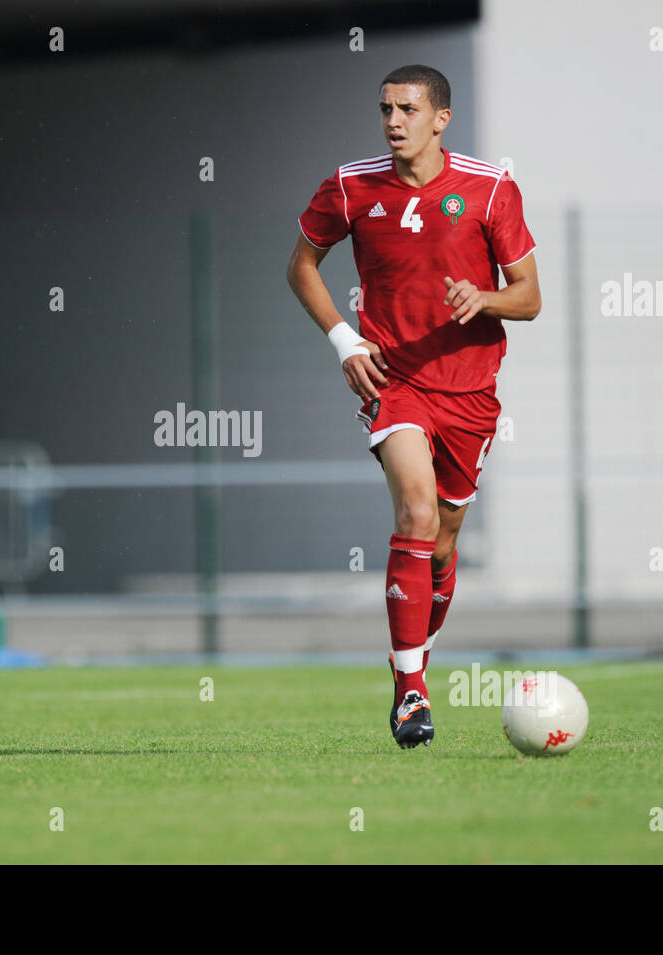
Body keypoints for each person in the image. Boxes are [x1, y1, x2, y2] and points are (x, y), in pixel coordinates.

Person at [286, 65, 540, 749]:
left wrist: (484, 299)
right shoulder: (350, 184)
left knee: (445, 537)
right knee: (416, 512)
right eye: (385, 109)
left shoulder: (490, 188)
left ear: (441, 119)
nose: (393, 121)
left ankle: (415, 662)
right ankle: (410, 692)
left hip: (471, 390)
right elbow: (300, 265)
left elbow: (530, 297)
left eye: (407, 109)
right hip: (393, 380)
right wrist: (345, 341)